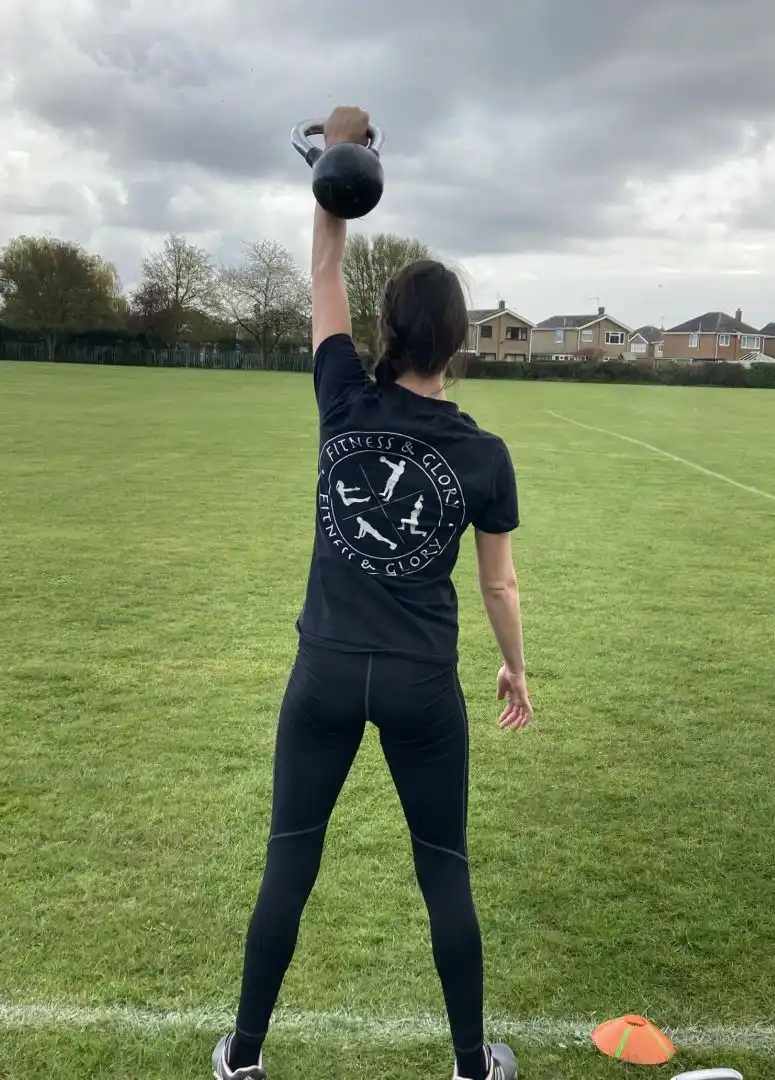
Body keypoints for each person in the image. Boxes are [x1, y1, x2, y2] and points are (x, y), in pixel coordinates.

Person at [212, 106, 532, 1080]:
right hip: (422, 687)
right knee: (446, 873)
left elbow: (320, 274)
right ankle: (474, 1067)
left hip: (321, 675)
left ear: (389, 331)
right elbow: (501, 582)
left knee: (288, 864)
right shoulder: (482, 453)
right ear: (461, 341)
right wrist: (517, 670)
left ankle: (245, 1058)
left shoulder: (342, 393)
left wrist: (341, 167)